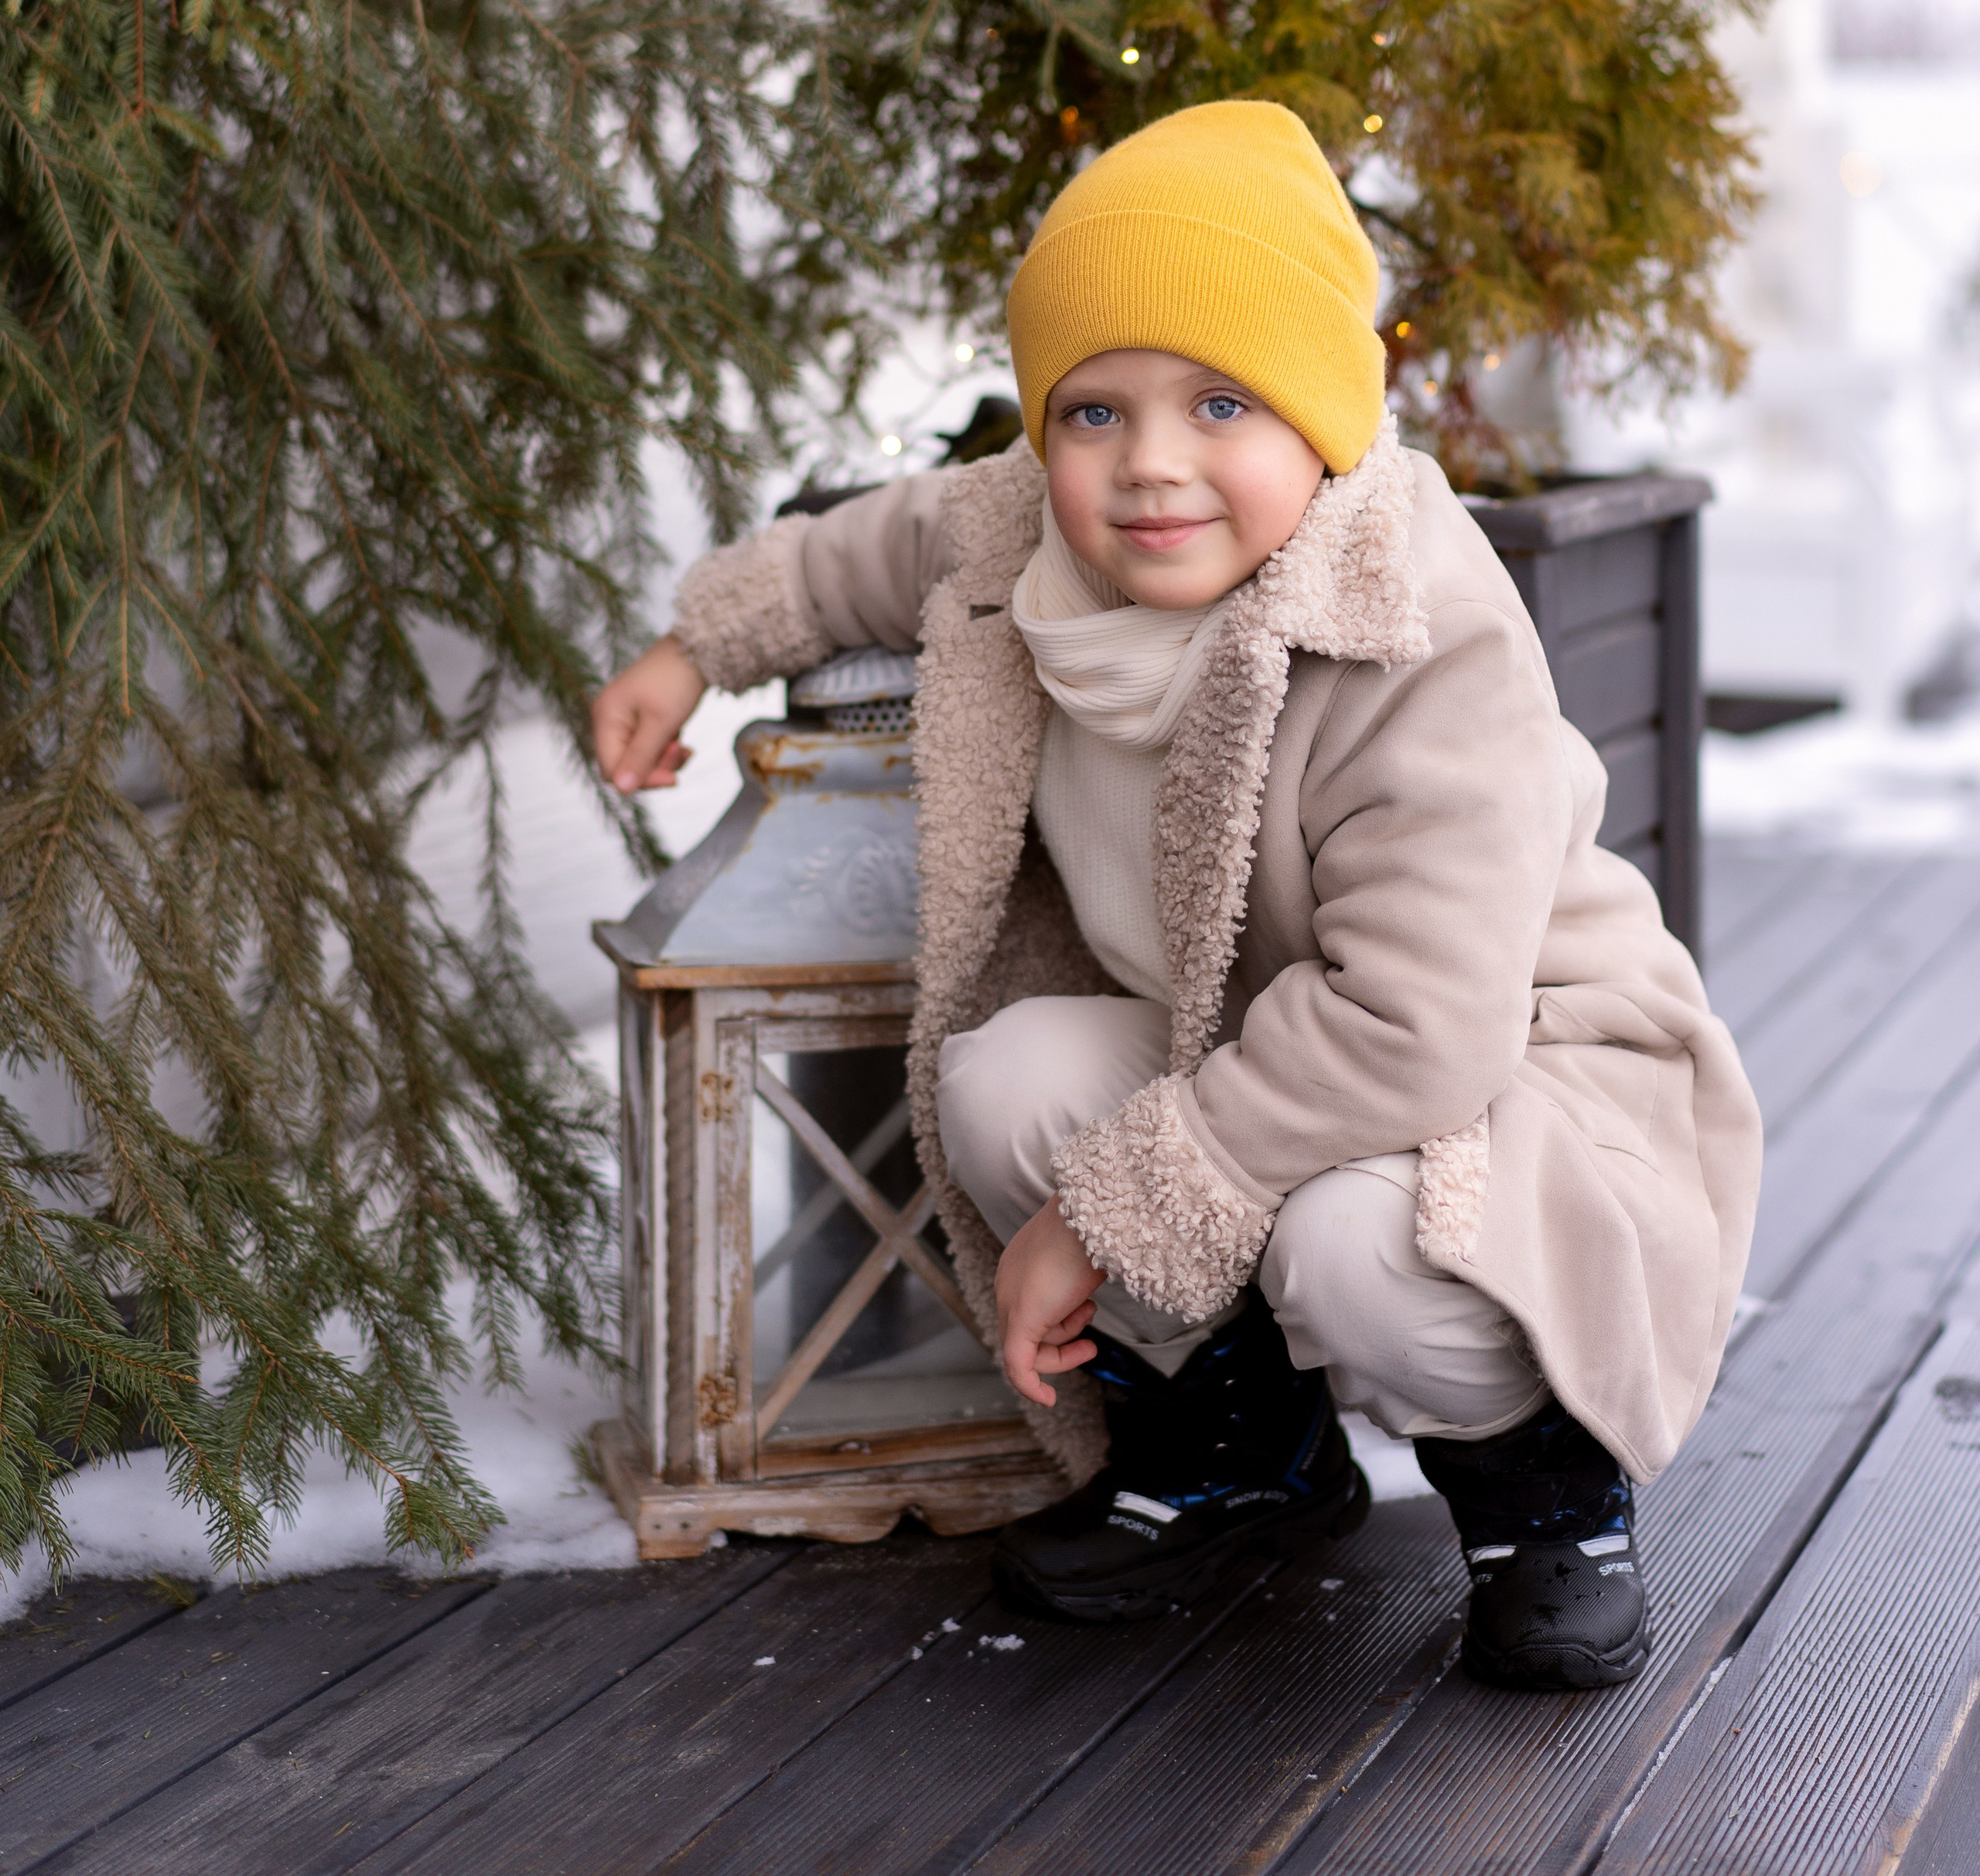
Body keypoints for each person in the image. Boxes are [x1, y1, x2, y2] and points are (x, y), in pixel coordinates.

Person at [592, 101, 1761, 1690]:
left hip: (1504, 1063)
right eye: (1092, 411)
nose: (1149, 464)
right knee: (1003, 1076)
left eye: (1221, 401)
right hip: (1251, 1033)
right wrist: (693, 647)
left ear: (1322, 423)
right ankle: (1238, 1449)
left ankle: (1540, 1482)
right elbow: (868, 549)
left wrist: (1099, 1215)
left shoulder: (1412, 628)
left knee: (1357, 1246)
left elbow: (1414, 1030)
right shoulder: (1030, 541)